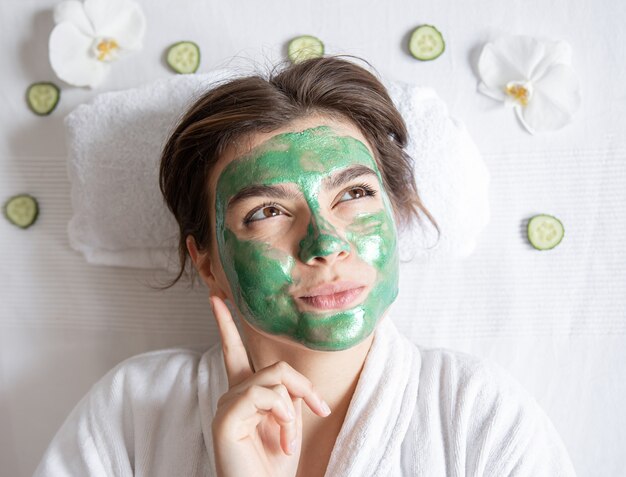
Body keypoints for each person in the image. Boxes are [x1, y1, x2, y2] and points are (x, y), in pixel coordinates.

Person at [34, 56, 576, 476]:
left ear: (394, 216)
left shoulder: (478, 415)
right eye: (267, 211)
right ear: (207, 261)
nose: (323, 242)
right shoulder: (132, 413)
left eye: (356, 194)